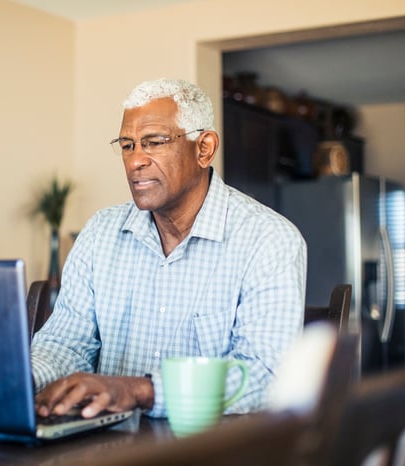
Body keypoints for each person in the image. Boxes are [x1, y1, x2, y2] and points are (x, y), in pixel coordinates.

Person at [31, 78, 306, 419]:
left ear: (204, 148)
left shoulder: (268, 239)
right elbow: (65, 344)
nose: (135, 162)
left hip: (213, 451)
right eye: (127, 145)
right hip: (106, 446)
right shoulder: (100, 232)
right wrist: (19, 380)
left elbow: (266, 375)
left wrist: (139, 391)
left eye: (154, 142)